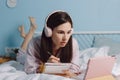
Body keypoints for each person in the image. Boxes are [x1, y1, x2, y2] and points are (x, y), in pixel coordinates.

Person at [23, 10, 81, 78]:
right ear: (49, 32)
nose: (65, 38)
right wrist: (46, 68)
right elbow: (29, 70)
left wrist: (67, 73)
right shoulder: (34, 43)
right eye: (60, 32)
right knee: (20, 55)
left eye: (68, 32)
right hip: (24, 57)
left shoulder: (73, 43)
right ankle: (31, 30)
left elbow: (74, 69)